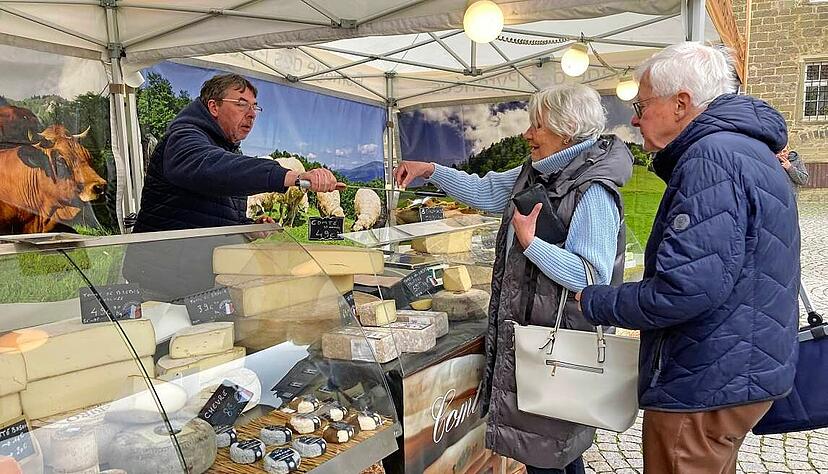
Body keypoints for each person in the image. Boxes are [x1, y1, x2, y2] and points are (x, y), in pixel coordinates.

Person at [576, 42, 800, 473]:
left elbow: (685, 287)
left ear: (681, 103)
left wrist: (599, 300)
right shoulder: (746, 149)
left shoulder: (711, 158)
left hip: (704, 376)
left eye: (641, 104)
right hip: (737, 364)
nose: (635, 117)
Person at [395, 84, 633, 473]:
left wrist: (530, 243)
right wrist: (431, 170)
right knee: (553, 451)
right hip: (535, 339)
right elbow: (487, 191)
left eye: (537, 126)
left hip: (558, 346)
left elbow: (590, 275)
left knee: (549, 453)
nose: (527, 134)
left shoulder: (592, 190)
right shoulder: (539, 171)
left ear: (566, 128)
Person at [134, 73, 338, 232]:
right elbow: (212, 168)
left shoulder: (228, 148)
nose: (251, 114)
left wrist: (247, 228)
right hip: (163, 277)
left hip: (204, 272)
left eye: (254, 107)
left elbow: (214, 213)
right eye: (241, 105)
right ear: (214, 106)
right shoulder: (183, 138)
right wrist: (295, 176)